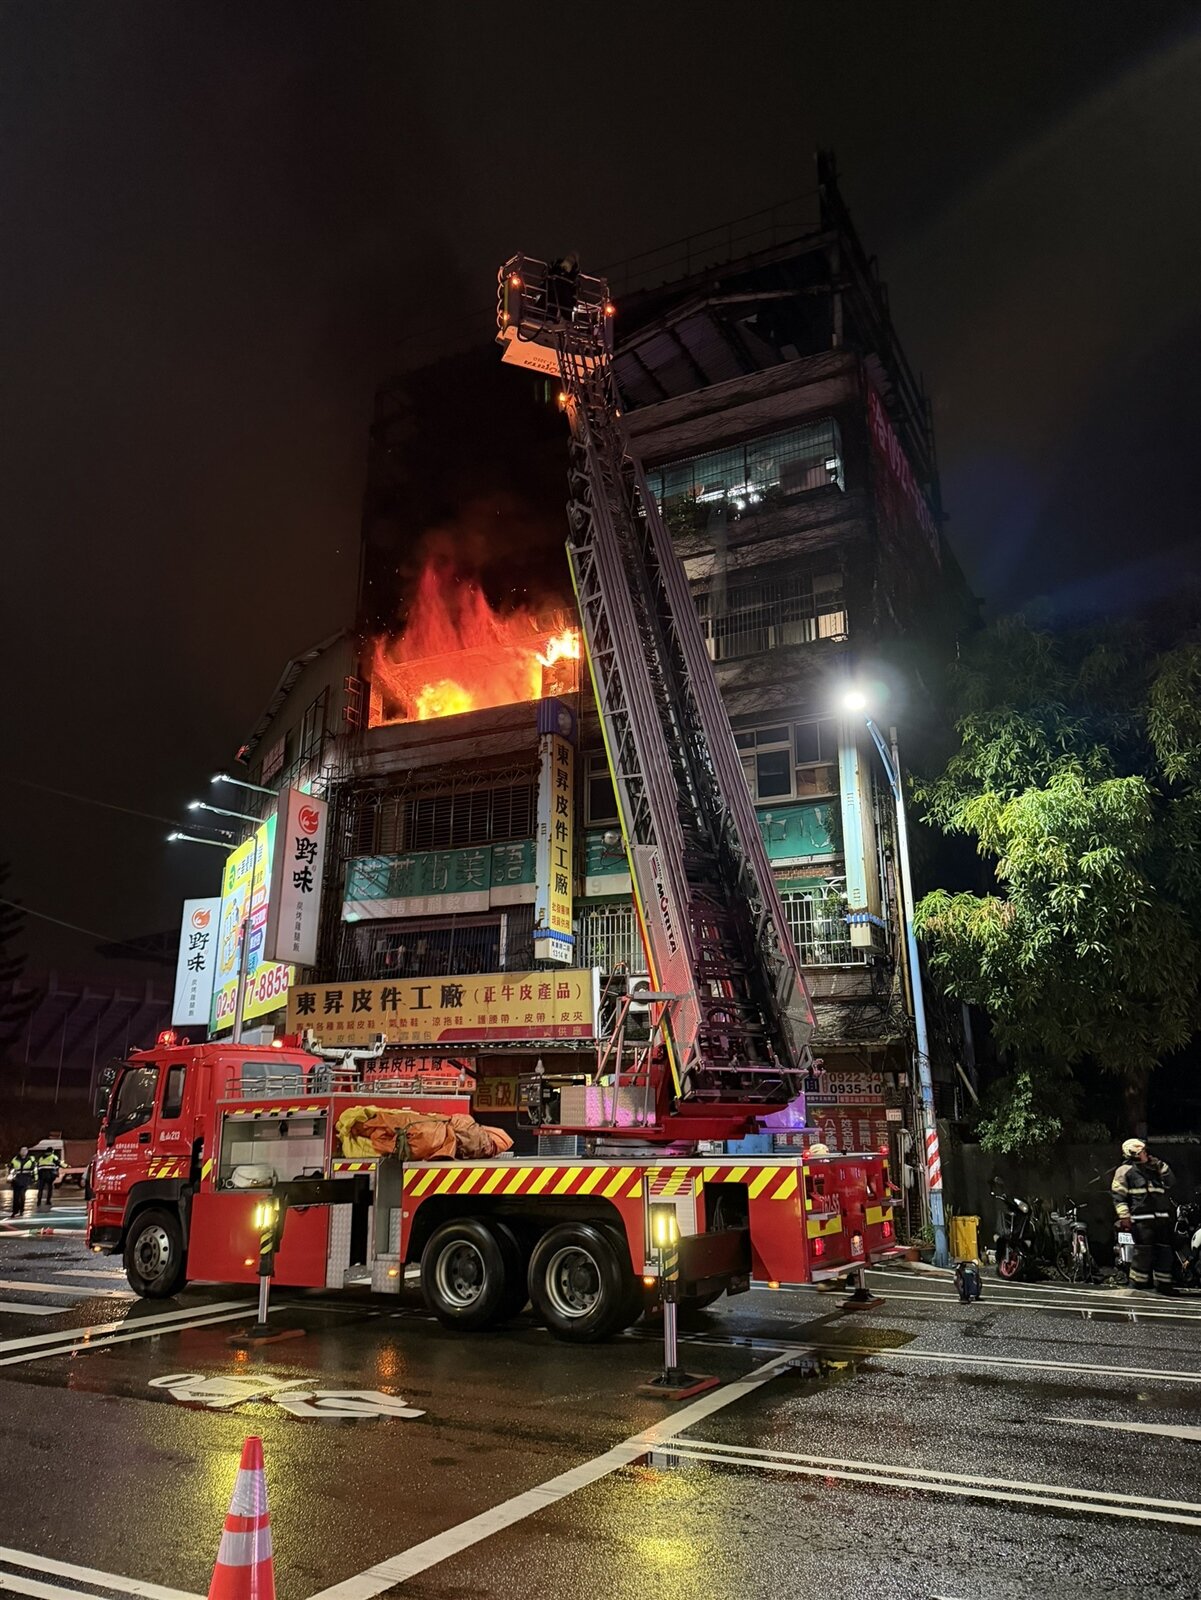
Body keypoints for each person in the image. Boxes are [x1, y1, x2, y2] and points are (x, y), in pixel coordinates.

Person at [1112, 1137, 1176, 1295]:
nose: (1146, 1154)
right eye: (1142, 1152)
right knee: (1143, 1253)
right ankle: (1137, 1284)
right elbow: (1118, 1196)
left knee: (1164, 1252)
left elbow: (1171, 1182)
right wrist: (1124, 1216)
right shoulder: (1125, 1171)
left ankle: (1164, 1285)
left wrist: (1160, 1165)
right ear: (1133, 1153)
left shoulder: (1155, 1168)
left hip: (1161, 1218)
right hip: (1141, 1220)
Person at [8, 1148, 37, 1219]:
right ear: (20, 1151)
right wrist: (10, 1178)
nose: (24, 1152)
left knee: (22, 1196)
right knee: (16, 1197)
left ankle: (21, 1210)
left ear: (27, 1152)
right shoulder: (15, 1159)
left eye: (25, 1150)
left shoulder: (31, 1159)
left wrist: (35, 1178)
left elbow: (34, 1169)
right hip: (16, 1180)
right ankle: (15, 1211)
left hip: (25, 1179)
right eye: (22, 1150)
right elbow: (11, 1169)